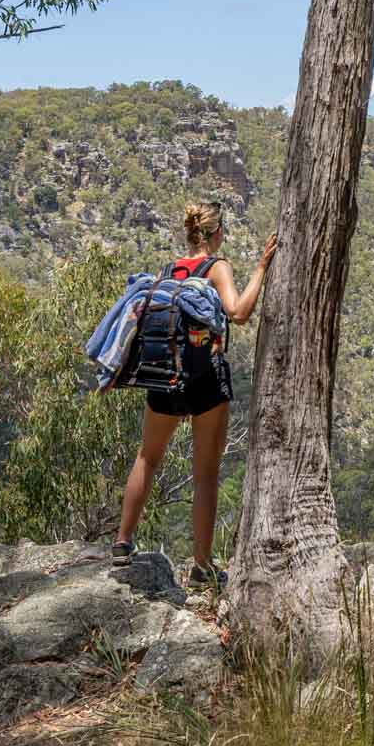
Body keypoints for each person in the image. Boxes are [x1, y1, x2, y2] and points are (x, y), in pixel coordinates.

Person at [112, 200, 276, 586]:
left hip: (164, 373)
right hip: (204, 378)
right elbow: (238, 312)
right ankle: (202, 566)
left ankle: (122, 543)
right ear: (216, 233)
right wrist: (261, 269)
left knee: (147, 457)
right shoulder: (216, 267)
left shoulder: (168, 270)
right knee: (204, 474)